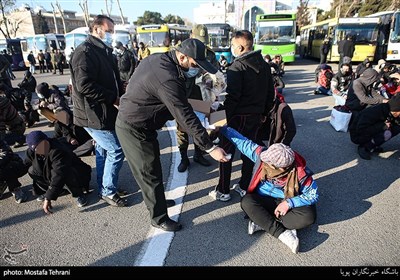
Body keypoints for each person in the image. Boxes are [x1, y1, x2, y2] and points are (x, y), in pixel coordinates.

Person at [115, 38, 229, 232]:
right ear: (182, 56)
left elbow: (183, 102)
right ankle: (158, 218)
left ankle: (157, 201)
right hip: (133, 127)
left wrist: (210, 107)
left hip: (144, 124)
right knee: (149, 173)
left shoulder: (162, 60)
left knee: (154, 168)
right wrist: (210, 147)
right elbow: (183, 114)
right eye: (195, 64)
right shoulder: (167, 77)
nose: (197, 70)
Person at [219, 127, 318, 254]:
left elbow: (313, 195)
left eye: (268, 162)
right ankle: (283, 233)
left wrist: (289, 203)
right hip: (264, 200)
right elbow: (242, 142)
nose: (263, 162)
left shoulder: (301, 173)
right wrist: (222, 128)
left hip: (288, 199)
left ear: (281, 168)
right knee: (247, 202)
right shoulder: (262, 155)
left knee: (309, 217)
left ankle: (263, 222)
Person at [210, 30, 275, 202]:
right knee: (249, 153)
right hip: (256, 116)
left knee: (226, 153)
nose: (231, 48)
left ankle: (223, 190)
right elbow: (271, 93)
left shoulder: (237, 67)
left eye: (232, 45)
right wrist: (264, 113)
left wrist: (220, 120)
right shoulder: (264, 65)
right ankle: (244, 186)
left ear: (239, 47)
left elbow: (232, 98)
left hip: (237, 117)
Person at [69, 15, 126, 207]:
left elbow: (108, 78)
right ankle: (108, 191)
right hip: (92, 114)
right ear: (96, 29)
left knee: (103, 150)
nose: (111, 34)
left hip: (105, 112)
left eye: (112, 31)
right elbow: (84, 85)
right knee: (116, 150)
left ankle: (105, 185)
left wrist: (121, 88)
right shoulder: (84, 52)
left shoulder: (103, 51)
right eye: (108, 30)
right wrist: (113, 97)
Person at [175, 23, 219, 172]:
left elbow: (216, 76)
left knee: (202, 126)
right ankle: (183, 158)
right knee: (182, 128)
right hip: (183, 96)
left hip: (202, 97)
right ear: (191, 37)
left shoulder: (210, 54)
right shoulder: (179, 52)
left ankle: (199, 154)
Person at [24, 131, 91, 214]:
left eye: (43, 144)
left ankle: (79, 193)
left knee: (66, 172)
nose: (42, 148)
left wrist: (48, 197)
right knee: (32, 170)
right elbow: (24, 166)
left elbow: (59, 174)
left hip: (77, 174)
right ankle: (59, 190)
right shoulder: (31, 152)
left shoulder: (58, 150)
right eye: (38, 148)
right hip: (55, 173)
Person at [350, 94, 400, 160]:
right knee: (387, 132)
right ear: (396, 111)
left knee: (396, 128)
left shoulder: (389, 109)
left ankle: (373, 144)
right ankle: (365, 146)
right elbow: (361, 129)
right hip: (357, 135)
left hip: (369, 129)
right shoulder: (375, 112)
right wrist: (383, 126)